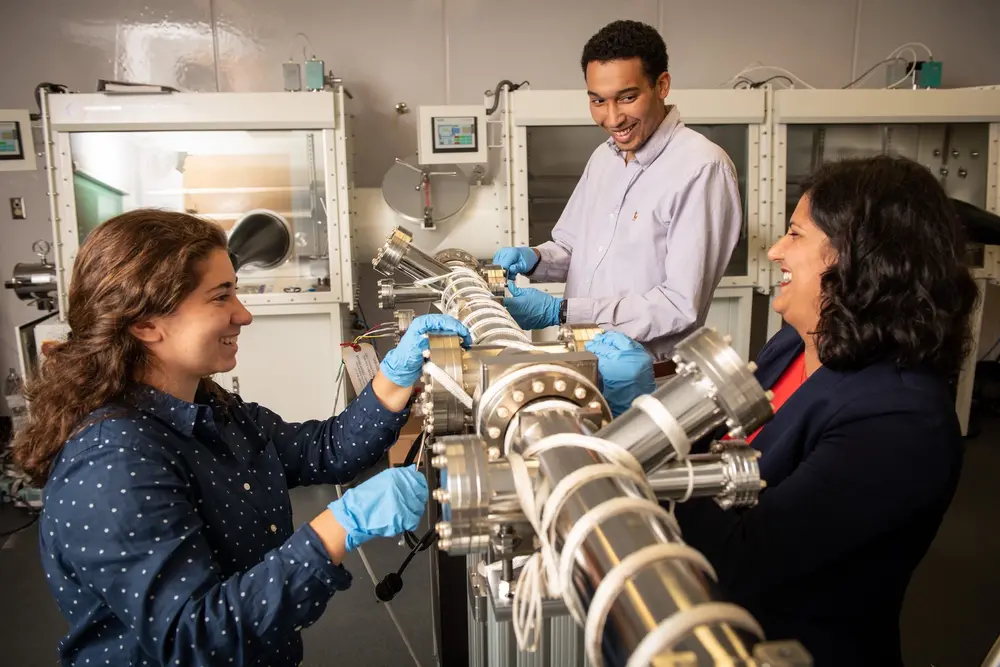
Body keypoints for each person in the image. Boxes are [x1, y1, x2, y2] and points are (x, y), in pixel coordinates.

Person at [10, 209, 472, 667]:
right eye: (220, 297)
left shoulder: (210, 412)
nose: (243, 315)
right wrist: (339, 527)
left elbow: (324, 451)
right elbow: (196, 637)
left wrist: (394, 379)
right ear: (146, 324)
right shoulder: (114, 461)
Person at [587, 155, 978, 666]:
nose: (775, 251)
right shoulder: (796, 346)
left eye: (795, 234)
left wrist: (654, 448)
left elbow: (745, 562)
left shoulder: (901, 420)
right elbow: (716, 444)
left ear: (854, 256)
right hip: (703, 615)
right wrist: (650, 422)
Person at [493, 19, 743, 366]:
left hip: (646, 375)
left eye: (627, 98)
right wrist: (536, 258)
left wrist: (561, 311)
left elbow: (678, 304)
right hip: (581, 357)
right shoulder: (604, 158)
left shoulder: (702, 168)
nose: (612, 119)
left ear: (662, 85)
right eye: (597, 101)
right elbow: (574, 247)